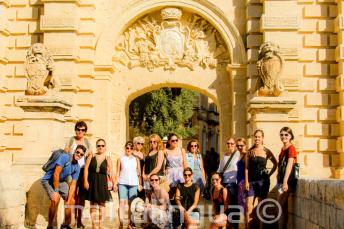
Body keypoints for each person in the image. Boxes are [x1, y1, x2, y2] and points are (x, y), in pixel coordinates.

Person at [41, 145, 86, 229]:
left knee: (71, 200)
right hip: (48, 179)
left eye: (81, 154)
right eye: (78, 152)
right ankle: (50, 225)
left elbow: (73, 184)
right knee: (55, 198)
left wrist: (68, 200)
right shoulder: (65, 157)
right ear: (74, 151)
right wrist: (56, 191)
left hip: (61, 181)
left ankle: (65, 225)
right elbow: (56, 173)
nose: (79, 155)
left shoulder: (77, 167)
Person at [245, 129, 277, 229]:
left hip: (263, 182)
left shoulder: (266, 151)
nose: (257, 138)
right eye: (255, 137)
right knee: (249, 206)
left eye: (259, 137)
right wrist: (246, 181)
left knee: (261, 205)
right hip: (251, 181)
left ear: (262, 138)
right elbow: (246, 168)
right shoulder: (250, 151)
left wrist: (269, 174)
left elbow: (275, 164)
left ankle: (261, 227)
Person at [64, 121, 92, 229]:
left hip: (82, 171)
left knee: (81, 198)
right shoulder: (71, 140)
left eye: (83, 130)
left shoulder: (87, 142)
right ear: (76, 130)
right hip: (72, 170)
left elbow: (90, 153)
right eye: (78, 129)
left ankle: (79, 220)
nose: (80, 132)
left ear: (85, 131)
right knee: (72, 196)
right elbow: (66, 151)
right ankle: (72, 219)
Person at [84, 139, 114, 229]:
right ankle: (94, 225)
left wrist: (113, 183)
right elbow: (86, 169)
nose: (100, 147)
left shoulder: (107, 158)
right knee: (93, 204)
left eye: (102, 146)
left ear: (105, 147)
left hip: (102, 182)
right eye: (98, 145)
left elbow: (111, 171)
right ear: (96, 147)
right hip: (92, 181)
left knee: (102, 204)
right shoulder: (91, 156)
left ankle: (101, 225)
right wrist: (85, 181)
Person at [115, 141, 142, 228]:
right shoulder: (121, 158)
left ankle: (130, 223)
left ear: (133, 149)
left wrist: (140, 184)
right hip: (122, 182)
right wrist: (116, 183)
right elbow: (117, 172)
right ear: (125, 148)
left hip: (134, 183)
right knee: (122, 202)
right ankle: (121, 222)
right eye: (127, 147)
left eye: (131, 148)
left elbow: (139, 173)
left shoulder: (136, 159)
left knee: (131, 204)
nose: (129, 149)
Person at [276, 127, 297, 229]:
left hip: (287, 182)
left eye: (286, 135)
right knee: (283, 207)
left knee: (279, 206)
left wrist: (285, 182)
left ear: (290, 136)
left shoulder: (291, 148)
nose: (283, 137)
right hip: (281, 181)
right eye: (282, 135)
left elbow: (290, 164)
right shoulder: (283, 148)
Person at [166, 133, 188, 201]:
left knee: (180, 195)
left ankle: (180, 209)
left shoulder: (182, 150)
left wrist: (187, 174)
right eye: (173, 140)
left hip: (180, 174)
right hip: (170, 175)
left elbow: (185, 163)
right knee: (170, 194)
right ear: (169, 141)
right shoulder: (165, 151)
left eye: (176, 140)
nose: (175, 142)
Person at [236, 138, 247, 226]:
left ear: (245, 145)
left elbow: (247, 170)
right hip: (239, 182)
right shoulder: (240, 155)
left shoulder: (245, 155)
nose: (239, 147)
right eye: (238, 146)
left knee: (244, 205)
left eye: (241, 145)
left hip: (243, 182)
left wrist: (246, 182)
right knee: (241, 205)